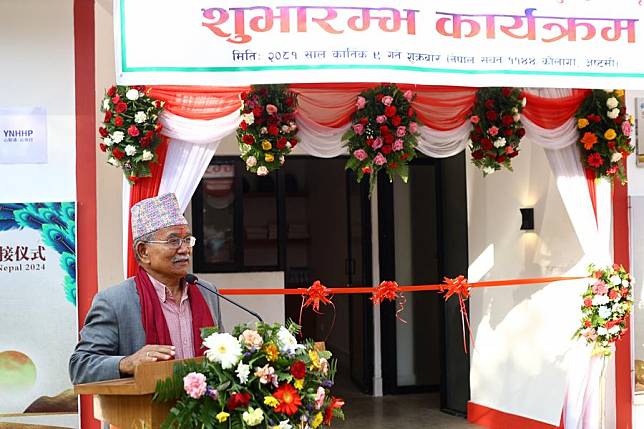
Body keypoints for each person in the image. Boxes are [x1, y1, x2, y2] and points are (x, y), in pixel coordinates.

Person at [69, 193, 223, 384]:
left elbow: (221, 354)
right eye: (173, 241)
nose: (184, 249)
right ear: (143, 251)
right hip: (144, 411)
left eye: (187, 240)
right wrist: (127, 362)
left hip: (206, 410)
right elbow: (80, 366)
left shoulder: (206, 292)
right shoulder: (115, 301)